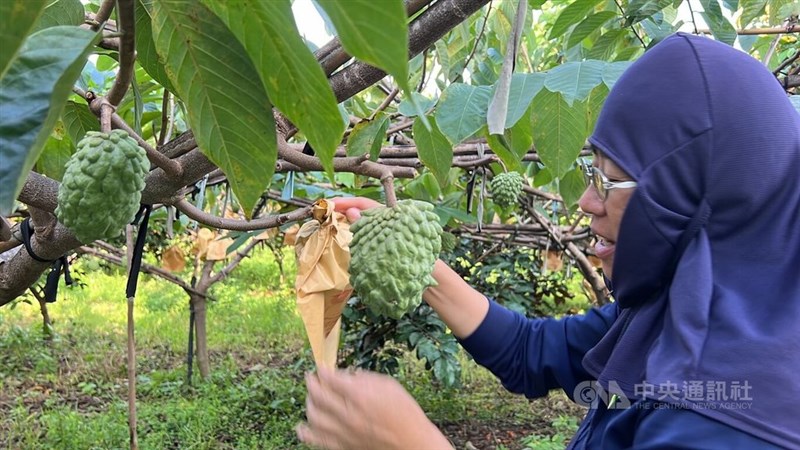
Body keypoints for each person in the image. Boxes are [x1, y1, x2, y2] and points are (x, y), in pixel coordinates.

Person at [296, 32, 800, 449]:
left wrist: (410, 443)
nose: (585, 201)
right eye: (591, 171)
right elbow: (531, 352)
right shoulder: (681, 311)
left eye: (609, 180)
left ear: (694, 197)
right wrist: (404, 247)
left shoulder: (729, 418)